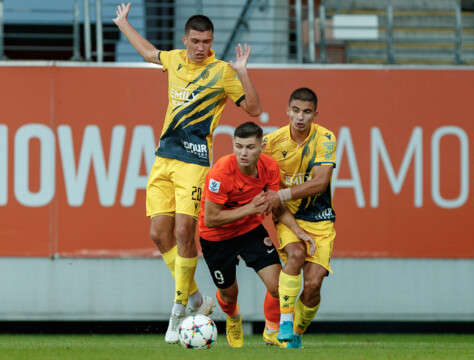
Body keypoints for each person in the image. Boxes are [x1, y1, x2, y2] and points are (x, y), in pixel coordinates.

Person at [113, 3, 262, 344]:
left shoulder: (222, 71)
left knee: (184, 232)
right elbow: (150, 53)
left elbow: (254, 109)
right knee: (158, 234)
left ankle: (179, 309)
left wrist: (242, 72)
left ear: (212, 41)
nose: (200, 48)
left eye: (206, 41)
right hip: (164, 157)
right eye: (195, 41)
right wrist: (123, 23)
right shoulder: (175, 59)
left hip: (194, 163)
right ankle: (197, 298)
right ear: (185, 39)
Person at [198, 121, 315, 348]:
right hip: (216, 238)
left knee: (277, 285)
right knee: (230, 295)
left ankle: (271, 331)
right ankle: (233, 318)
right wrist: (250, 209)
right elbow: (211, 219)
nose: (243, 152)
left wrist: (298, 231)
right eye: (239, 146)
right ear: (233, 145)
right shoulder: (220, 173)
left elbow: (277, 205)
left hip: (250, 230)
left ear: (261, 147)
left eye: (250, 147)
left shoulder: (270, 168)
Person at [261, 87, 337, 349]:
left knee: (314, 284)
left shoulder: (326, 139)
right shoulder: (270, 144)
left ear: (315, 114)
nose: (300, 117)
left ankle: (297, 332)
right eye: (295, 110)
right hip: (288, 217)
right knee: (295, 254)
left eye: (306, 111)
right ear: (287, 111)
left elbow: (320, 182)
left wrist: (280, 194)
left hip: (321, 219)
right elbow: (266, 192)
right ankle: (284, 322)